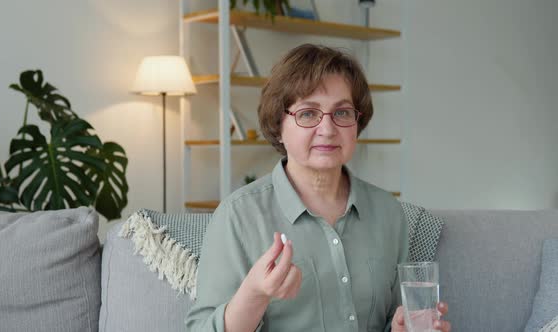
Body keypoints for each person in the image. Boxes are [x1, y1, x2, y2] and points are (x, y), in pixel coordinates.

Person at [185, 44, 451, 332]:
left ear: (356, 124)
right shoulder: (237, 216)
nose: (328, 129)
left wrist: (402, 327)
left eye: (343, 112)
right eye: (308, 114)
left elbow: (394, 318)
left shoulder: (388, 212)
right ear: (278, 126)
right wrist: (255, 294)